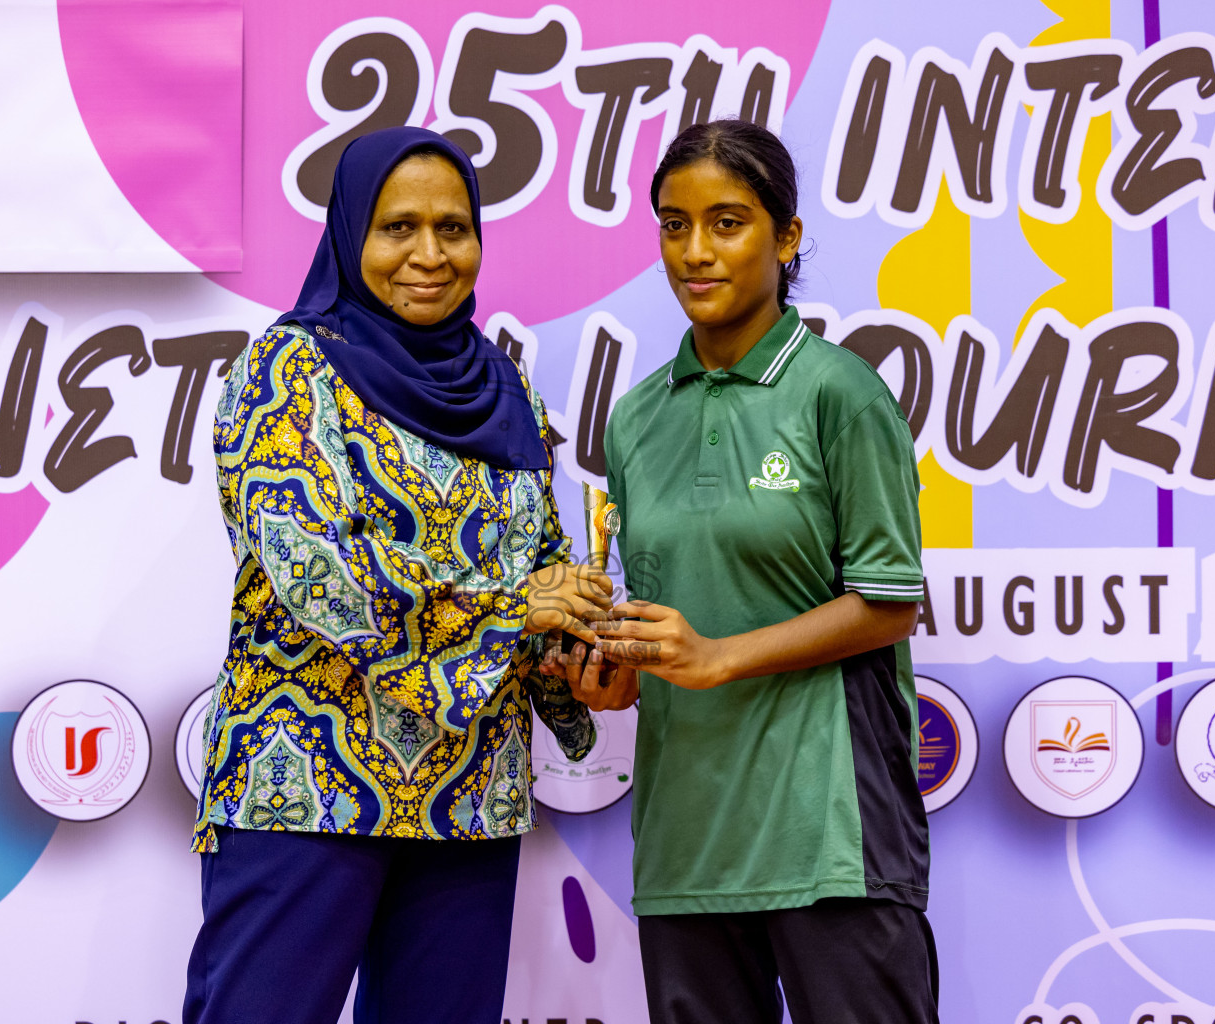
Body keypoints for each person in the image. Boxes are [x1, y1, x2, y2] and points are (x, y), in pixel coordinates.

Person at [184, 126, 612, 1024]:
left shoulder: (505, 388)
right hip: (308, 783)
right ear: (351, 236)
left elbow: (539, 577)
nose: (428, 255)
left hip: (468, 798)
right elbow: (316, 577)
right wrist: (515, 606)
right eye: (397, 228)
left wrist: (575, 659)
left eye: (453, 229)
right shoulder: (289, 370)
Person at [556, 119, 938, 1023]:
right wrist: (618, 675)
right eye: (673, 224)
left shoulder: (841, 393)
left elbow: (888, 604)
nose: (695, 251)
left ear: (787, 235)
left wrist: (718, 656)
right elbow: (666, 629)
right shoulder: (636, 421)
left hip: (831, 838)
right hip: (687, 846)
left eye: (727, 223)